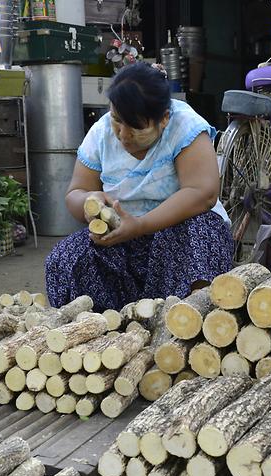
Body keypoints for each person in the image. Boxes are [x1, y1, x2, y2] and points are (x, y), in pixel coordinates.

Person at [44, 62, 233, 310]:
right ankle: (110, 329)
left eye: (135, 128)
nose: (123, 135)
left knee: (199, 234)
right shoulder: (101, 132)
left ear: (163, 119)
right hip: (122, 238)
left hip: (179, 230)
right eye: (117, 121)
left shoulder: (185, 126)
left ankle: (187, 323)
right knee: (65, 259)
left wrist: (141, 225)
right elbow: (75, 193)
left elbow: (203, 193)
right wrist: (91, 200)